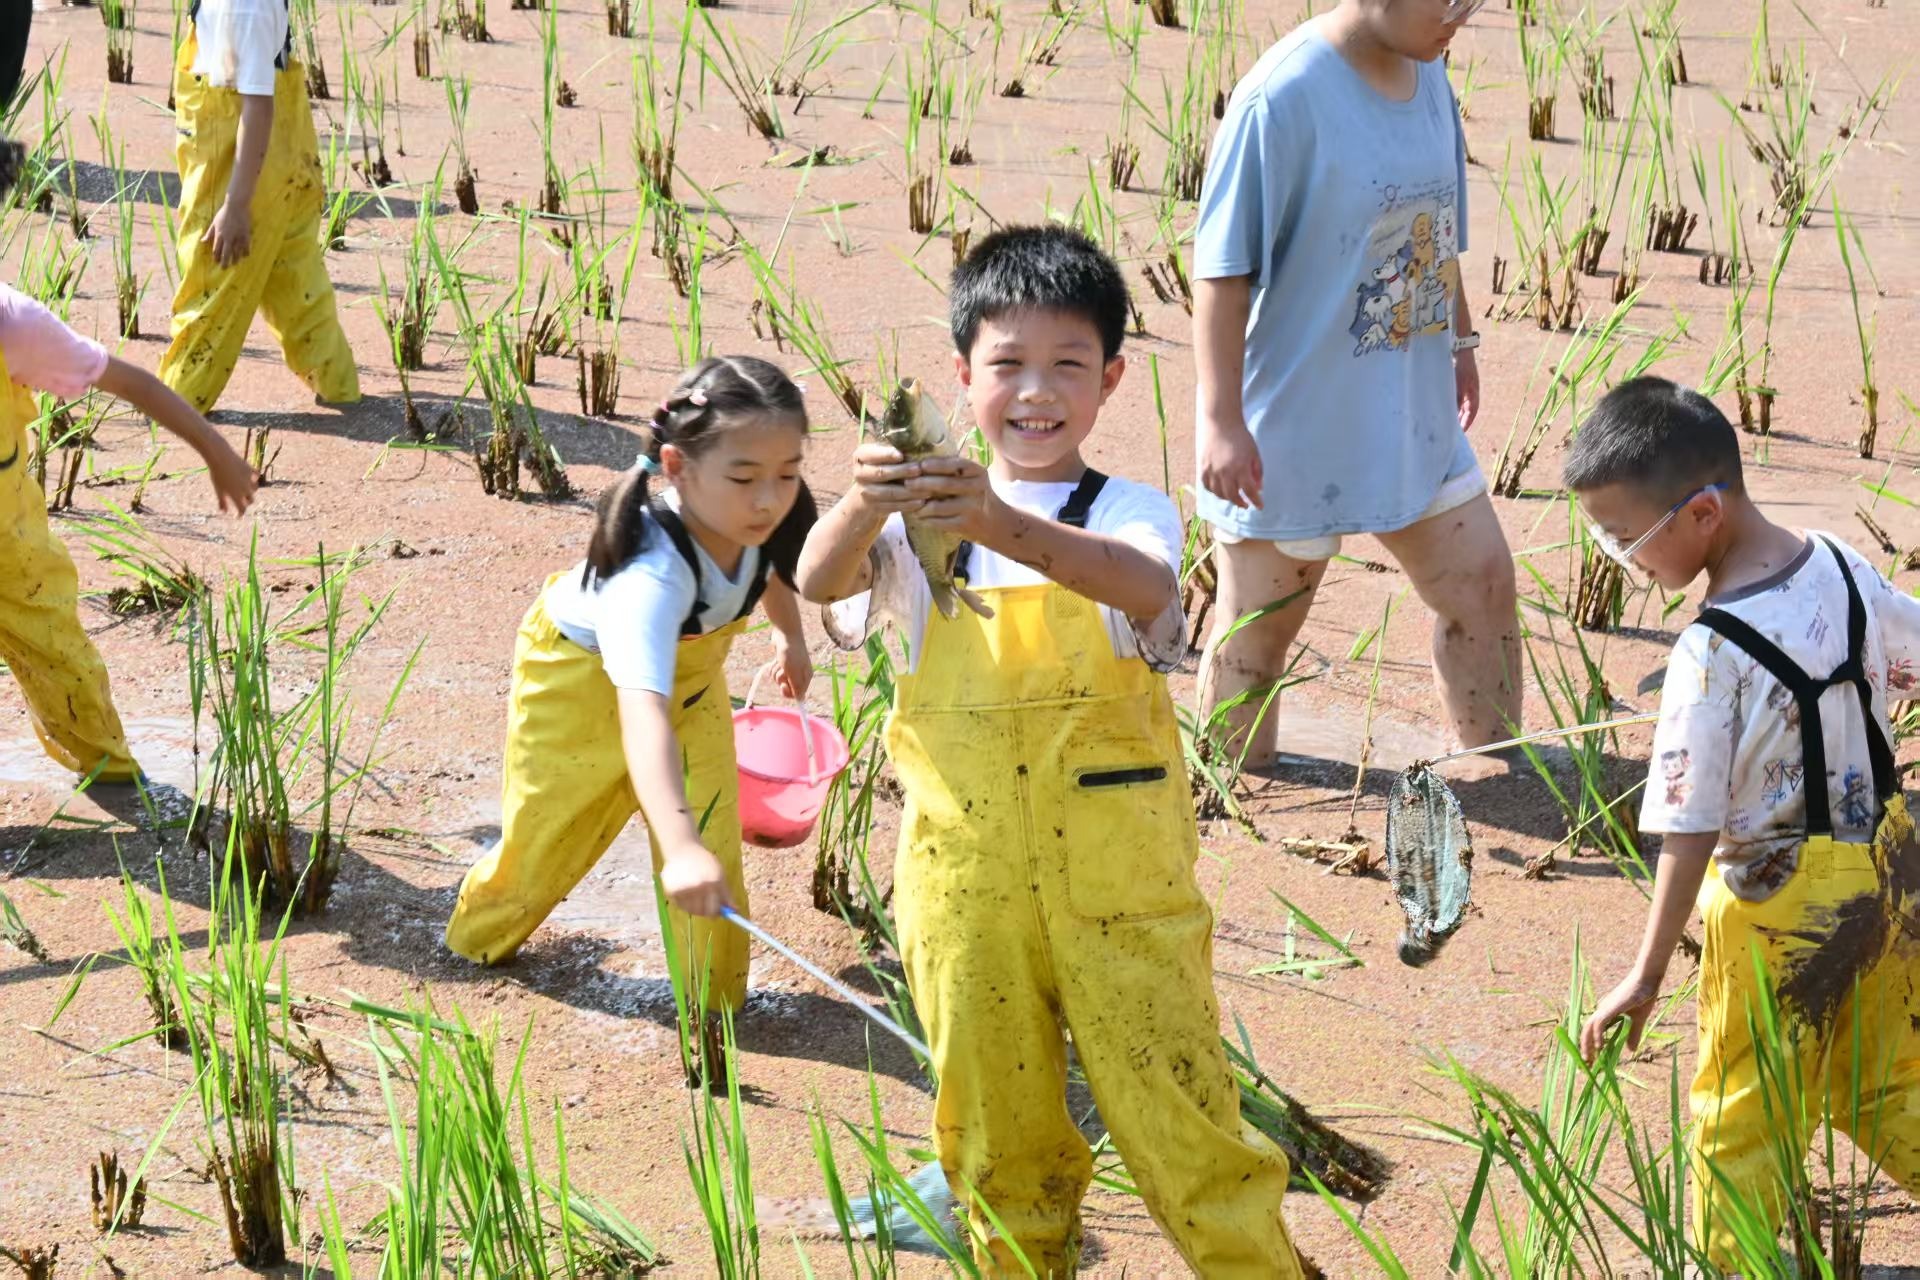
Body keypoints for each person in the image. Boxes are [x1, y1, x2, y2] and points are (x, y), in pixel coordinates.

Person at [796, 226, 1303, 1276]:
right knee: (998, 1135)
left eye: (1069, 364)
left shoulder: (1124, 512)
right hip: (964, 883)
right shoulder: (912, 529)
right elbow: (817, 580)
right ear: (961, 378)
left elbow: (1146, 588)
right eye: (1007, 365)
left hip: (1121, 886)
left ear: (1110, 378)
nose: (1036, 391)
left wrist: (992, 518)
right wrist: (864, 499)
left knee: (1182, 1117)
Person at [1572, 377, 1920, 1267]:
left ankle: (1733, 1266)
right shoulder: (1841, 562)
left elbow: (1688, 827)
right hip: (1891, 866)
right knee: (1890, 1082)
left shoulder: (1707, 652)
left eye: (1624, 539)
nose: (1621, 560)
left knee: (1742, 1120)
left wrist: (1647, 972)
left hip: (1776, 903)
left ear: (1702, 514)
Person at [444, 356, 816, 1080]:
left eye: (788, 473)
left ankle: (713, 1007)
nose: (769, 499)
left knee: (715, 849)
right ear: (677, 467)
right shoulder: (650, 575)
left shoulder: (755, 517)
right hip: (578, 685)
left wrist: (790, 637)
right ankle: (470, 946)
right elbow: (642, 717)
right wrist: (676, 845)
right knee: (543, 847)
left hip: (693, 683)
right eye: (745, 477)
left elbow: (769, 565)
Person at [1191, 0, 1519, 769]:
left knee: (1482, 583)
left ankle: (1501, 772)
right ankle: (1231, 796)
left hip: (1412, 408)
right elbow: (1222, 273)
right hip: (1299, 424)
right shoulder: (1281, 98)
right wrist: (1220, 420)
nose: (1460, 14)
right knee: (1258, 632)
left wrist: (1460, 339)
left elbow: (1435, 226)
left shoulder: (1428, 69)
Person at [0, 280, 257, 787]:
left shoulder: (15, 325)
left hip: (11, 546)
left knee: (65, 667)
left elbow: (132, 383)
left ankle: (110, 772)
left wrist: (215, 449)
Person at [160, 0, 358, 414]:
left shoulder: (245, 7)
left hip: (243, 178)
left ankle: (176, 407)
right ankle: (339, 388)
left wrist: (235, 207)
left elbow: (258, 107)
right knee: (297, 290)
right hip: (280, 161)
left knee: (211, 296)